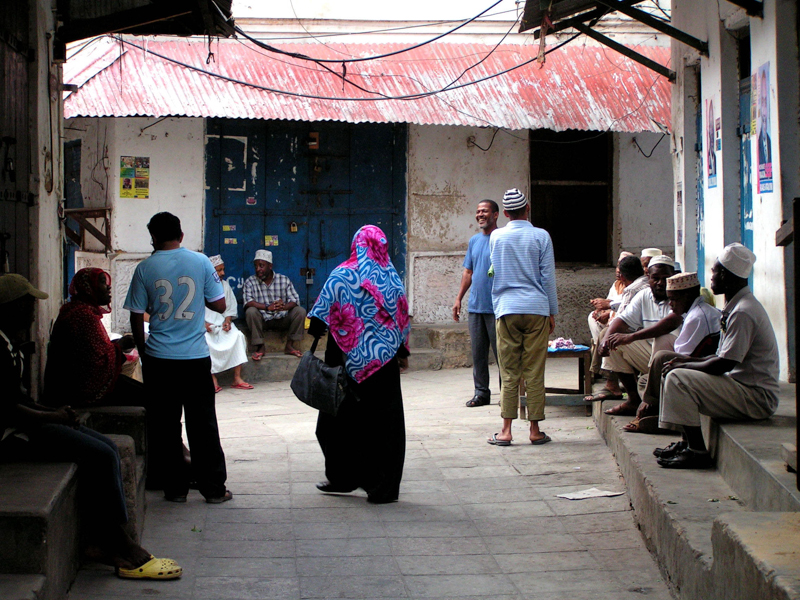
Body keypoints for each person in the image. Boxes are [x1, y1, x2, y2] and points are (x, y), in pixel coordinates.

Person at [0, 273, 181, 580]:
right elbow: (10, 410)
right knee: (100, 454)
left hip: (29, 421)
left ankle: (109, 538)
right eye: (27, 304)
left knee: (107, 447)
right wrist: (52, 417)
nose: (33, 310)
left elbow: (20, 399)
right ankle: (118, 543)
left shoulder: (9, 343)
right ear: (10, 308)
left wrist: (54, 412)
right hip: (12, 436)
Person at [124, 212, 232, 504]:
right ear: (181, 235)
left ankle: (175, 489)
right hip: (195, 358)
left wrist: (144, 351)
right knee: (203, 424)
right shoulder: (201, 262)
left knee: (166, 426)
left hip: (159, 358)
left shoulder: (144, 268)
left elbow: (136, 315)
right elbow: (220, 305)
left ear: (153, 238)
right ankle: (214, 489)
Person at [307, 225, 410, 504]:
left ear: (356, 245)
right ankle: (383, 488)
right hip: (383, 365)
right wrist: (401, 352)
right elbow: (402, 321)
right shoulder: (392, 278)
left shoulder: (341, 275)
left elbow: (317, 321)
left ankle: (343, 477)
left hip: (345, 365)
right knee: (385, 428)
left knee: (335, 424)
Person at [655, 244, 779, 469]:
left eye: (715, 271)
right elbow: (722, 355)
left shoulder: (743, 311)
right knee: (673, 367)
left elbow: (724, 364)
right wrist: (686, 361)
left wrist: (686, 366)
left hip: (757, 398)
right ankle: (685, 442)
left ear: (726, 276)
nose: (711, 277)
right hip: (741, 387)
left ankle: (696, 451)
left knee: (678, 377)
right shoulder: (736, 306)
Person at [486, 188, 557, 446]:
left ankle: (506, 431)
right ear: (527, 209)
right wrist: (552, 311)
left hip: (507, 308)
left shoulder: (496, 236)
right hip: (537, 308)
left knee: (509, 371)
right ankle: (535, 430)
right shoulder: (541, 236)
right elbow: (548, 277)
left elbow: (494, 272)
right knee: (534, 370)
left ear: (504, 213)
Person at [624, 271, 721, 433]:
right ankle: (656, 410)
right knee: (646, 380)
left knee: (661, 363)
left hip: (702, 371)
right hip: (698, 364)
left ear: (687, 296)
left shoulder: (697, 317)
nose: (670, 304)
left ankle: (663, 417)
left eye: (674, 299)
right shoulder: (696, 312)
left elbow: (685, 358)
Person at [43, 268, 144, 407]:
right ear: (88, 288)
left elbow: (90, 350)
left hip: (68, 388)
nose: (108, 287)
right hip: (77, 393)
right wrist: (119, 346)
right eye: (102, 282)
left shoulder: (77, 310)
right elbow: (93, 363)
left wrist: (115, 345)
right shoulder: (83, 316)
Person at [600, 256, 680, 417]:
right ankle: (633, 399)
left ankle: (653, 406)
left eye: (665, 278)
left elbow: (668, 325)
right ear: (648, 277)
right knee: (612, 338)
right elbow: (622, 320)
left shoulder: (679, 296)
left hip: (676, 360)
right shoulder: (644, 295)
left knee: (662, 339)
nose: (660, 283)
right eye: (655, 278)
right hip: (651, 356)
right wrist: (606, 341)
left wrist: (631, 337)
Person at [452, 199, 500, 407]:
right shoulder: (474, 241)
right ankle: (481, 393)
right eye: (478, 211)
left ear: (495, 215)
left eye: (485, 211)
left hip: (497, 307)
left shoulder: (501, 238)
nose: (480, 214)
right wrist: (458, 299)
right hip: (476, 306)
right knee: (478, 354)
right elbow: (468, 272)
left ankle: (508, 394)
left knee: (502, 354)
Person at [584, 254, 646, 401]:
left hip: (648, 342)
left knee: (611, 338)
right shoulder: (626, 285)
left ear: (623, 275)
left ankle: (613, 385)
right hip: (642, 337)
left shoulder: (634, 289)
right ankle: (609, 380)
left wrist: (609, 312)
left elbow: (623, 319)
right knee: (604, 330)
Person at [243, 249, 306, 360]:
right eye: (256, 266)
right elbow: (248, 302)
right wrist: (267, 307)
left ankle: (289, 345)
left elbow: (295, 300)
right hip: (263, 320)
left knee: (300, 311)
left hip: (282, 319)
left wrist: (284, 307)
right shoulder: (250, 282)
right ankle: (260, 346)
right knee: (250, 311)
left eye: (261, 266)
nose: (258, 269)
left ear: (270, 266)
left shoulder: (283, 280)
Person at [205, 255, 252, 392]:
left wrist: (227, 321)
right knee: (204, 340)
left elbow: (230, 308)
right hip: (205, 327)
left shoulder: (225, 286)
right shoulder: (200, 286)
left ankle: (237, 378)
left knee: (238, 336)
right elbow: (195, 310)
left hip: (221, 324)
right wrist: (203, 324)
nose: (223, 273)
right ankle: (212, 379)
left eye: (223, 269)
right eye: (219, 270)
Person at [587, 251, 634, 378]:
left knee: (607, 335)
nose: (618, 270)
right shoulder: (616, 285)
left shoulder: (634, 286)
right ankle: (601, 356)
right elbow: (610, 303)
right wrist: (600, 312)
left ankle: (602, 371)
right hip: (613, 321)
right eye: (618, 265)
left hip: (626, 326)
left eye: (622, 266)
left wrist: (608, 311)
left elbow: (625, 308)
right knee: (592, 318)